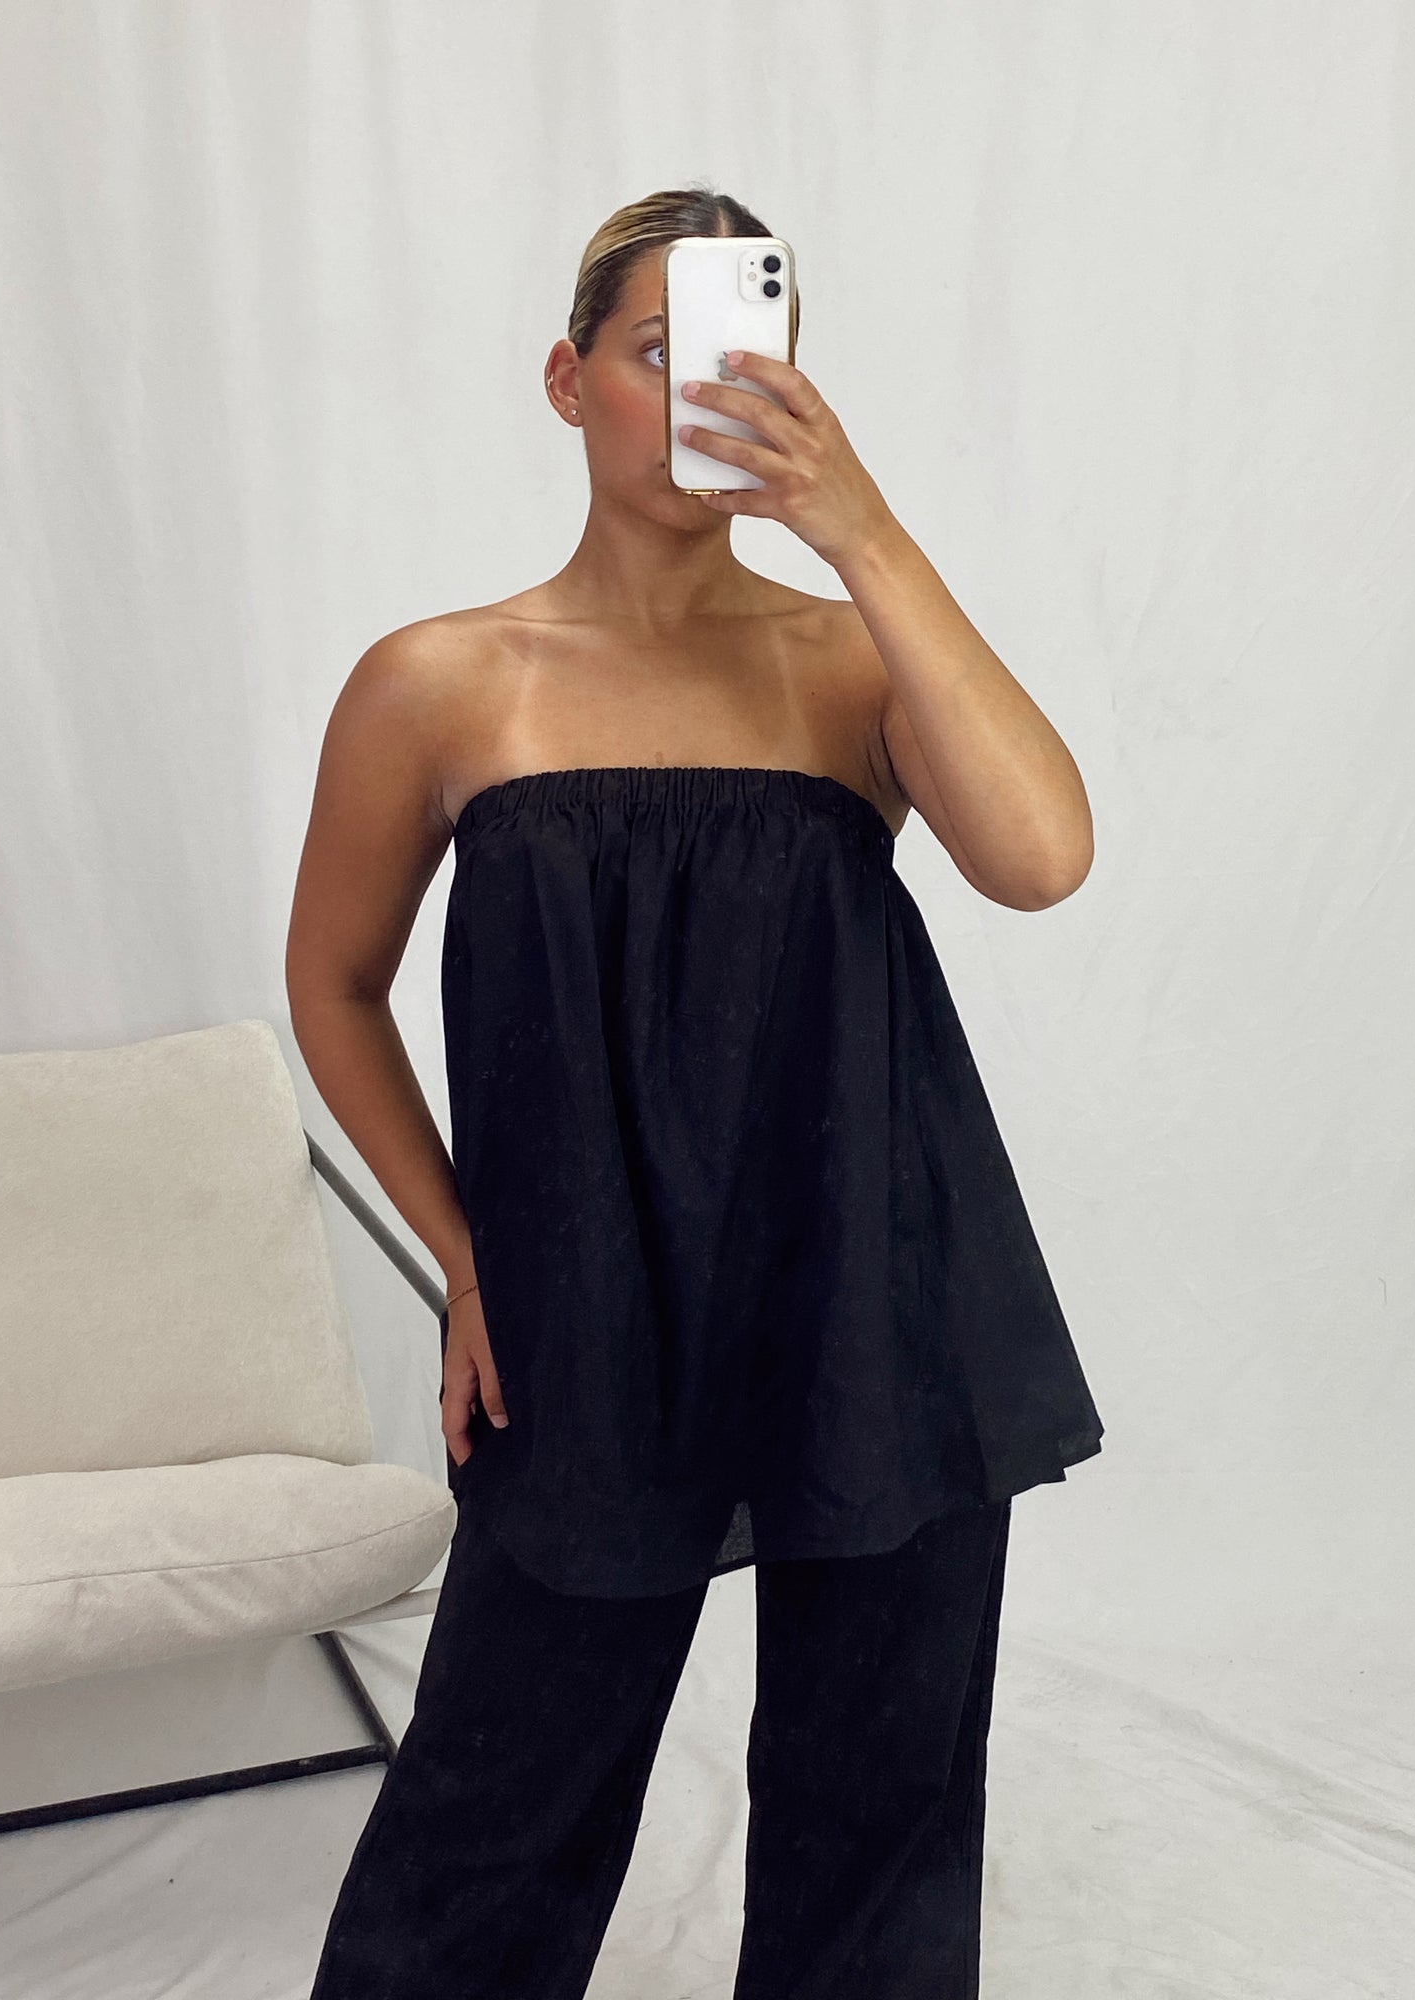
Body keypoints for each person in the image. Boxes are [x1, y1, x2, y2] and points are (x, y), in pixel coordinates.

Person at [287, 182, 1104, 2000]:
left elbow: (1043, 857)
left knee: (875, 1814)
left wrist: (860, 528)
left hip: (877, 1296)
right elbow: (332, 985)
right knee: (493, 1805)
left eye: (747, 355)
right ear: (566, 379)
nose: (704, 394)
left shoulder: (850, 662)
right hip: (582, 1307)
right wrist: (467, 1255)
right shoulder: (441, 682)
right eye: (661, 353)